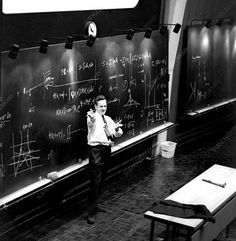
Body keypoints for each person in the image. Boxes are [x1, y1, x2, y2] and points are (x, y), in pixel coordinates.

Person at [86, 95, 123, 224]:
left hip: (106, 150)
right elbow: (90, 124)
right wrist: (90, 118)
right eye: (101, 106)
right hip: (95, 150)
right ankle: (90, 213)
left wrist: (118, 129)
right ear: (96, 106)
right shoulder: (92, 117)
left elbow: (118, 133)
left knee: (102, 179)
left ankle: (95, 205)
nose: (103, 108)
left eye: (105, 106)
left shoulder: (107, 119)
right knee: (95, 182)